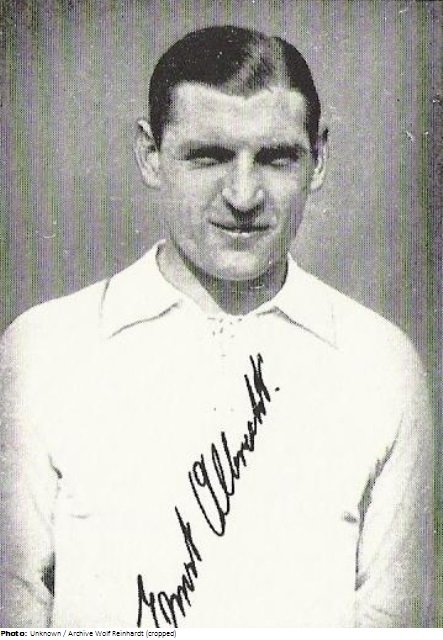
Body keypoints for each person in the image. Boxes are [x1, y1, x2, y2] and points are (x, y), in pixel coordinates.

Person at [0, 25, 433, 628]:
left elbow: (394, 622)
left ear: (319, 160)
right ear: (150, 154)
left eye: (277, 158)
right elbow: (13, 611)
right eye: (208, 156)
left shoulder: (380, 363)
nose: (243, 195)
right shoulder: (44, 351)